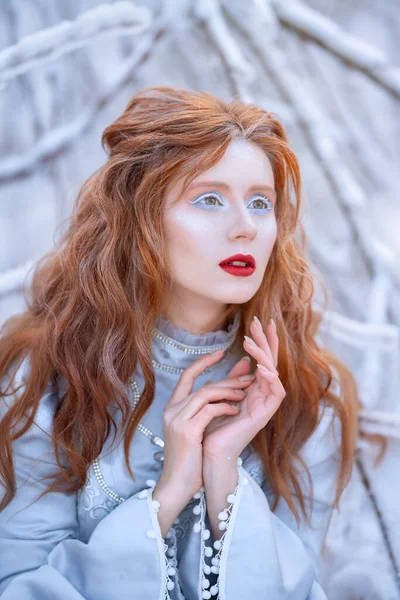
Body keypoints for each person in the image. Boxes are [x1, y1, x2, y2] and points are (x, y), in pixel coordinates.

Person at [0, 85, 359, 599]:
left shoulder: (301, 391)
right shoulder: (46, 376)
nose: (244, 228)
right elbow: (19, 587)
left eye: (261, 203)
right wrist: (168, 494)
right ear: (140, 219)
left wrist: (223, 474)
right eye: (209, 200)